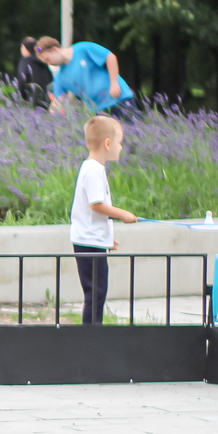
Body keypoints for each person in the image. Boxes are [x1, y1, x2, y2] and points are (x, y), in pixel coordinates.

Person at [69, 114, 138, 325]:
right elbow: (96, 205)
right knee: (96, 292)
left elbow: (92, 212)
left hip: (91, 239)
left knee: (97, 291)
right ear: (107, 143)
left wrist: (106, 237)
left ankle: (93, 332)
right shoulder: (94, 170)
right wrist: (123, 214)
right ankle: (92, 334)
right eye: (119, 142)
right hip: (88, 241)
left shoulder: (92, 168)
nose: (121, 147)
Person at [38, 36, 135, 116]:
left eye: (48, 59)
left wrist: (114, 83)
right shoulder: (60, 78)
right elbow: (58, 100)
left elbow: (110, 57)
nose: (49, 64)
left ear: (54, 49)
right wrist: (51, 113)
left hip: (120, 99)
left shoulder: (83, 49)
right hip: (99, 110)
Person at [14, 36, 52, 108]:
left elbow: (22, 79)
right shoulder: (44, 62)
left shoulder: (25, 61)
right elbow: (50, 79)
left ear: (25, 48)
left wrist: (23, 96)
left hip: (31, 101)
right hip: (47, 101)